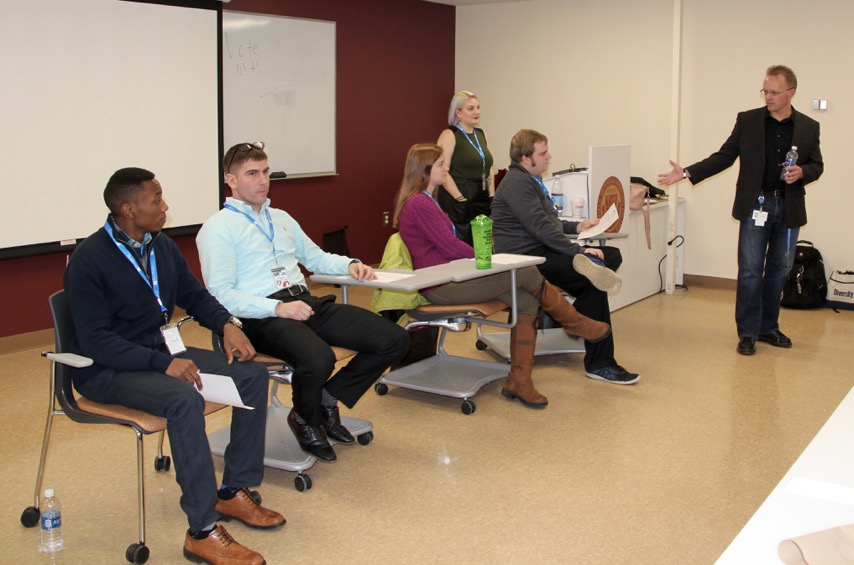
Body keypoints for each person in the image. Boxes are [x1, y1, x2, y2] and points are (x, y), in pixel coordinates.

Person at [64, 168, 283, 565]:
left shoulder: (159, 246)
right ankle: (201, 531)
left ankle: (233, 491)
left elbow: (195, 296)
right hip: (105, 370)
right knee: (183, 401)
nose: (165, 207)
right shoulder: (89, 259)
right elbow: (96, 341)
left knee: (251, 374)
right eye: (156, 199)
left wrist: (227, 324)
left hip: (156, 355)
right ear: (129, 208)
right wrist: (162, 363)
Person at [197, 142, 409, 463]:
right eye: (251, 174)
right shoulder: (217, 229)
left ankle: (327, 398)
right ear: (231, 180)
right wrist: (277, 309)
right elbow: (221, 294)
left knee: (393, 339)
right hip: (258, 316)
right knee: (318, 358)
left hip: (303, 301)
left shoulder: (280, 217)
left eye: (265, 172)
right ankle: (305, 420)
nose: (262, 180)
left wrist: (349, 265)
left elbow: (315, 258)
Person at [393, 143, 612, 408]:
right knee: (525, 271)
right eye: (440, 165)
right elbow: (449, 247)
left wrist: (485, 258)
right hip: (440, 285)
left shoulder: (427, 200)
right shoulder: (419, 203)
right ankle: (574, 322)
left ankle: (520, 380)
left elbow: (449, 247)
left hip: (452, 276)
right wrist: (487, 259)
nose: (446, 168)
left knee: (526, 298)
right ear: (425, 170)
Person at [657, 65, 823, 356]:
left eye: (774, 92)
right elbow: (725, 156)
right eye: (765, 91)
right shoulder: (748, 121)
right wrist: (687, 173)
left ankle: (768, 328)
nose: (768, 97)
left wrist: (803, 172)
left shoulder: (809, 126)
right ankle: (747, 333)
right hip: (756, 205)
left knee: (779, 271)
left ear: (791, 93)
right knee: (749, 271)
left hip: (788, 207)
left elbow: (817, 165)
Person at [492, 129, 640, 385]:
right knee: (592, 279)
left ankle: (575, 320)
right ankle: (599, 361)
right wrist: (579, 252)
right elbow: (541, 228)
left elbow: (548, 223)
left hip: (539, 252)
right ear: (526, 158)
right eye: (543, 152)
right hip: (526, 260)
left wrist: (577, 227)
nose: (549, 156)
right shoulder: (518, 183)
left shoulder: (529, 180)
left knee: (609, 256)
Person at [436, 90, 495, 245]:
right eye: (470, 108)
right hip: (459, 194)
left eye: (478, 107)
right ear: (458, 112)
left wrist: (492, 197)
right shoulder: (449, 134)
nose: (476, 112)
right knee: (464, 245)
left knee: (483, 244)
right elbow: (442, 171)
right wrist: (460, 199)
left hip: (480, 195)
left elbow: (488, 168)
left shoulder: (481, 134)